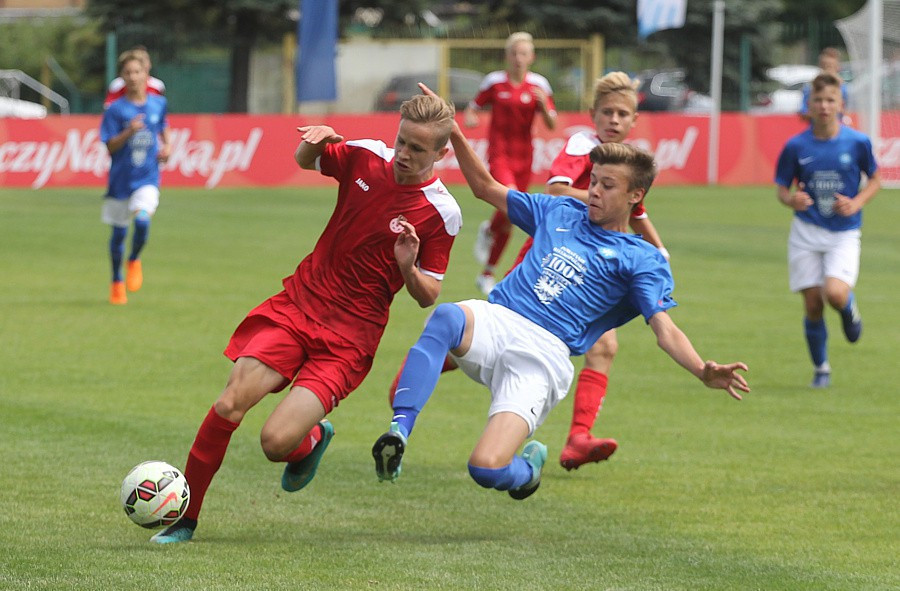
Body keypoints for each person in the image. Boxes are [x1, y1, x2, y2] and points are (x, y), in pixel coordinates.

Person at [372, 84, 749, 501]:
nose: (593, 191)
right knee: (446, 316)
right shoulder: (559, 211)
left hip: (545, 357)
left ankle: (527, 471)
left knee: (485, 467)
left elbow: (665, 330)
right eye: (595, 182)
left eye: (608, 186)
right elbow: (485, 188)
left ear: (635, 196)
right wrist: (456, 133)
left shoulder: (641, 259)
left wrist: (701, 370)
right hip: (500, 320)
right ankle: (398, 434)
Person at [149, 94, 461, 544]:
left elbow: (428, 295)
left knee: (276, 443)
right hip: (299, 305)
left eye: (417, 149)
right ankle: (185, 518)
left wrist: (408, 266)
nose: (404, 156)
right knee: (228, 404)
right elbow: (304, 159)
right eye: (402, 142)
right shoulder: (367, 155)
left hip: (349, 341)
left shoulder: (442, 213)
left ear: (441, 153)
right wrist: (316, 143)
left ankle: (311, 440)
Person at [385, 72, 670, 470]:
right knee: (481, 331)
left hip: (592, 269)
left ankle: (577, 437)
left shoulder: (625, 168)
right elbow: (555, 189)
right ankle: (433, 366)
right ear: (593, 114)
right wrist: (601, 196)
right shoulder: (584, 146)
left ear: (634, 120)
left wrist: (658, 249)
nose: (615, 121)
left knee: (604, 346)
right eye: (608, 112)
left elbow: (636, 211)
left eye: (623, 114)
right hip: (550, 262)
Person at [775, 72, 880, 388]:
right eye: (817, 100)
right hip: (806, 232)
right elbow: (782, 188)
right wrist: (792, 200)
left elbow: (874, 179)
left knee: (834, 293)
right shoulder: (796, 146)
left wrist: (857, 202)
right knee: (812, 304)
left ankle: (849, 310)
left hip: (843, 233)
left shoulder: (857, 142)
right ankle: (821, 368)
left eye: (830, 100)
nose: (823, 106)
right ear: (809, 105)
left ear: (841, 104)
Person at [465, 31, 557, 294]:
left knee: (510, 215)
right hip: (499, 154)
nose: (518, 58)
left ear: (532, 57)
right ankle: (490, 236)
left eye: (523, 54)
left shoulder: (539, 85)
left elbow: (552, 123)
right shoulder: (494, 82)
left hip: (524, 157)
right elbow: (474, 106)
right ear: (508, 56)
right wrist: (471, 117)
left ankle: (487, 271)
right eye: (514, 53)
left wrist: (544, 106)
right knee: (512, 203)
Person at [100, 49, 171, 305]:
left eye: (137, 71)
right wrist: (128, 132)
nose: (133, 77)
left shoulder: (158, 103)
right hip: (120, 181)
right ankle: (116, 281)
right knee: (118, 235)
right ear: (122, 76)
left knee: (142, 221)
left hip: (147, 177)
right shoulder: (115, 110)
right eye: (128, 72)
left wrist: (168, 147)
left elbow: (163, 126)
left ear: (146, 74)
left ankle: (134, 259)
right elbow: (109, 146)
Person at [798, 47, 849, 123]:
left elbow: (848, 112)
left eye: (831, 67)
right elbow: (803, 113)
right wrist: (818, 114)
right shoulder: (810, 88)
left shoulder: (843, 88)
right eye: (825, 66)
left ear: (838, 68)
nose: (828, 71)